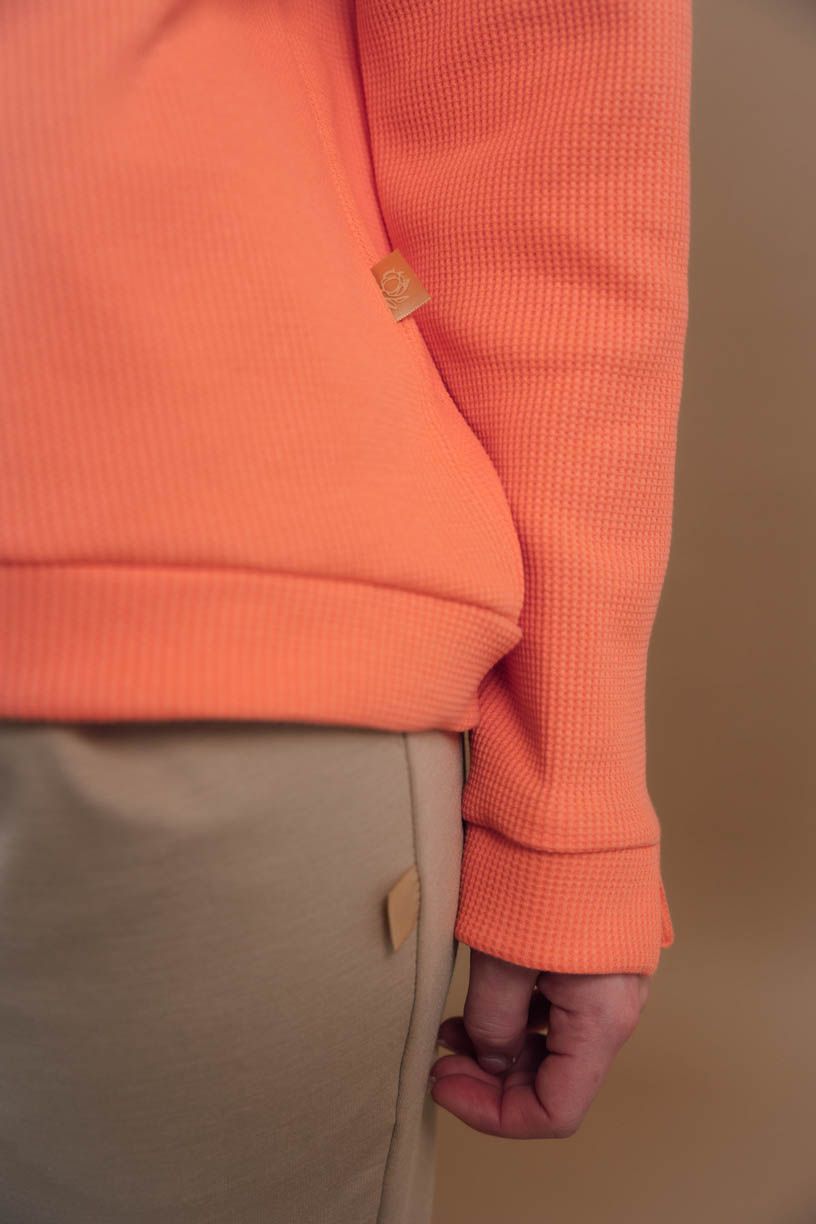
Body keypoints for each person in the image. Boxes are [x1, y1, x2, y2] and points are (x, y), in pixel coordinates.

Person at [0, 1, 691, 1220]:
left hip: (209, 634)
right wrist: (564, 820)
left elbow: (540, 107)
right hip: (214, 622)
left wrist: (562, 820)